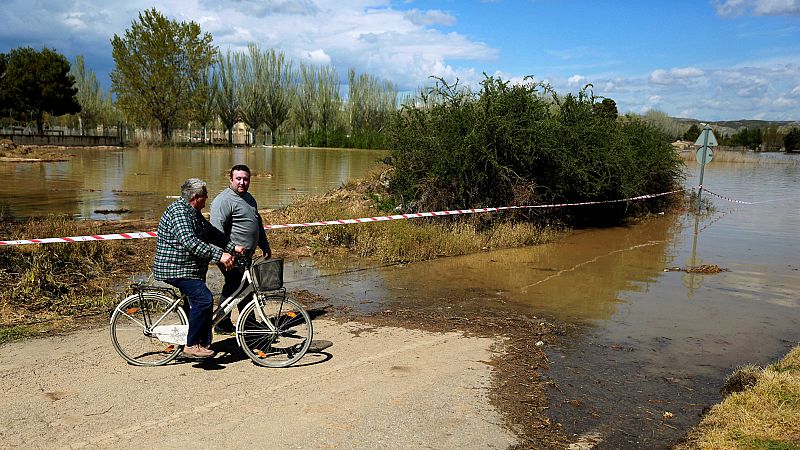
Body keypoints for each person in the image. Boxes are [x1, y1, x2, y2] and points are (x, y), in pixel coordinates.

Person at [153, 178, 245, 358]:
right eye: (205, 195)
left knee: (194, 305)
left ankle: (199, 341)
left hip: (190, 268)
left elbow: (211, 233)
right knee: (204, 299)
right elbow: (191, 243)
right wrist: (221, 256)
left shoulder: (193, 211)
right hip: (176, 268)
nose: (207, 198)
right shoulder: (179, 212)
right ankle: (192, 345)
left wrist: (232, 247)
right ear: (195, 197)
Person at [210, 164, 271, 334]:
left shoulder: (249, 198)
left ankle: (225, 323)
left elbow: (257, 223)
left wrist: (264, 245)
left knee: (236, 287)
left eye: (245, 179)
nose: (242, 182)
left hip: (245, 255)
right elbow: (215, 231)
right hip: (230, 255)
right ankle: (247, 325)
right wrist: (223, 255)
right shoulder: (223, 200)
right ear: (231, 179)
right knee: (242, 288)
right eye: (238, 179)